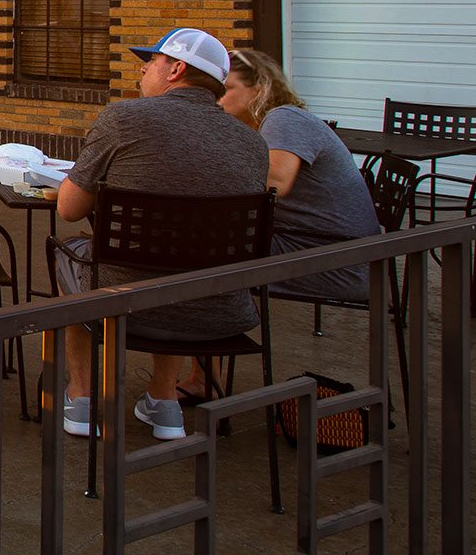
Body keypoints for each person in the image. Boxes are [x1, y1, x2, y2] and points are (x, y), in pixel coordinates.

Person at [53, 27, 268, 441]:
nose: (144, 69)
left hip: (126, 301)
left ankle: (81, 399)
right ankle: (164, 400)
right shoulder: (252, 143)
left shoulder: (123, 118)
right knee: (180, 257)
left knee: (72, 251)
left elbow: (69, 210)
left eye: (151, 61)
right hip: (219, 307)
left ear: (177, 69)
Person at [218, 48, 378, 300]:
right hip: (322, 248)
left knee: (199, 246)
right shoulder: (265, 126)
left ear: (260, 88)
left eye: (226, 89)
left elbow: (275, 185)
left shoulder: (285, 118)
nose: (216, 98)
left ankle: (188, 327)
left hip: (336, 263)